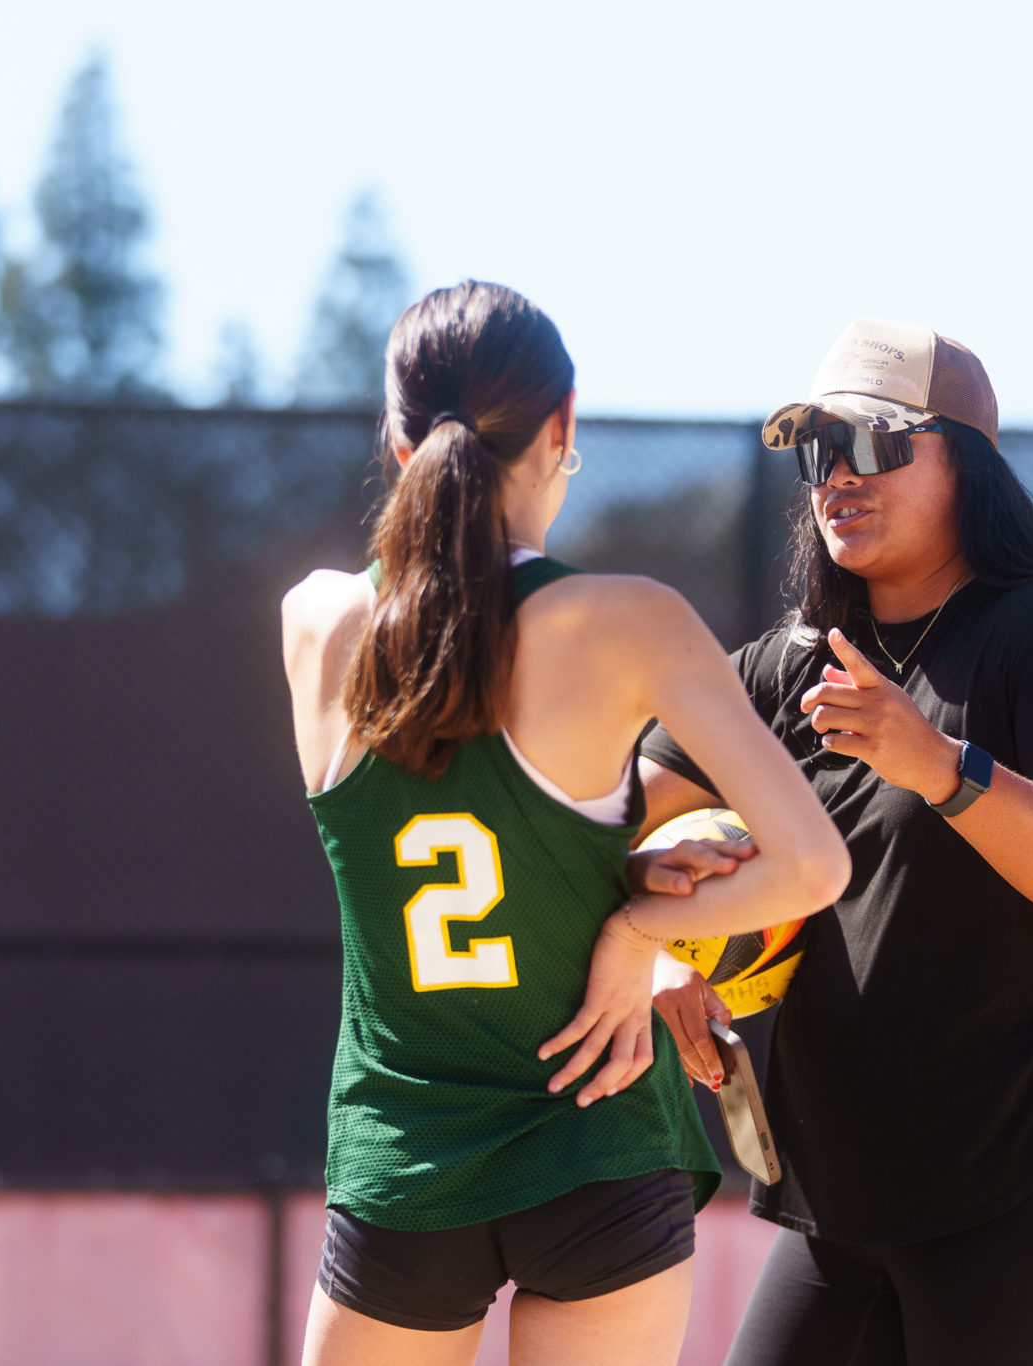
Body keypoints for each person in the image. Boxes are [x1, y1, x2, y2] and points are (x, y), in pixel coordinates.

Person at [282, 280, 849, 1366]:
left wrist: (615, 882)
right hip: (598, 1143)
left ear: (397, 443)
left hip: (407, 1161)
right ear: (563, 424)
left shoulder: (311, 620)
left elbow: (455, 825)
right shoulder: (625, 621)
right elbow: (812, 864)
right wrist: (634, 930)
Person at [640, 319, 1033, 1366]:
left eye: (871, 442)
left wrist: (944, 768)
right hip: (857, 1175)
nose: (837, 476)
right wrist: (657, 942)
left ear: (970, 463)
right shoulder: (783, 669)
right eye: (819, 449)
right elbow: (608, 824)